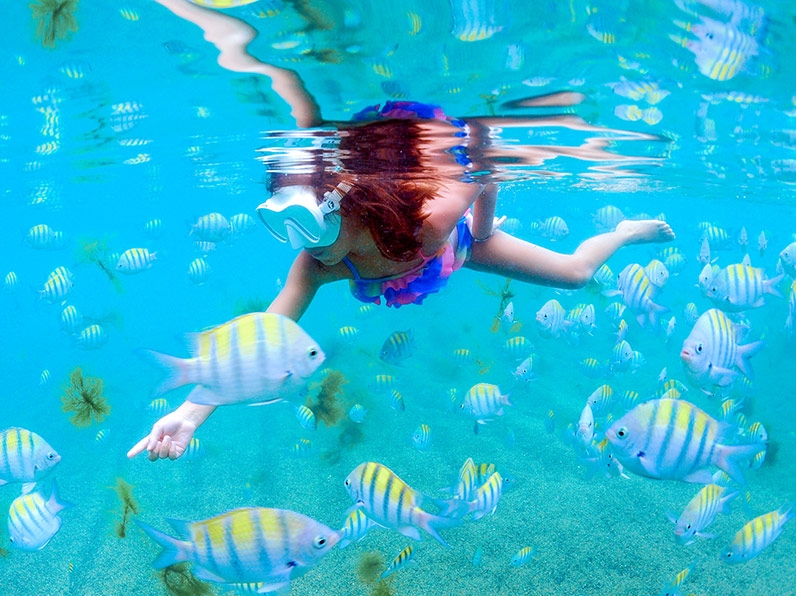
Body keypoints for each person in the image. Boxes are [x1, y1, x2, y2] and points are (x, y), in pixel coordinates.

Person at [129, 1, 675, 462]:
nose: (305, 245)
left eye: (310, 224)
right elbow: (264, 336)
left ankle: (625, 230)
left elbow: (483, 169)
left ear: (347, 200)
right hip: (428, 251)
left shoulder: (431, 219)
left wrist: (481, 231)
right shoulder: (318, 264)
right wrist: (191, 411)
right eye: (285, 228)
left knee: (576, 276)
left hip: (458, 244)